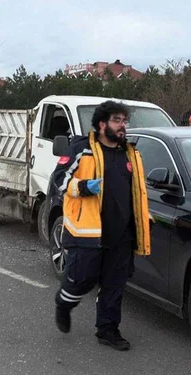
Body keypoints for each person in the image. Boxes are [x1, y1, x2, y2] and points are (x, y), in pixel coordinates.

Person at [53, 100, 151, 351]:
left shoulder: (130, 153)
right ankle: (64, 303)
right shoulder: (81, 149)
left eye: (124, 121)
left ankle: (107, 330)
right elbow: (59, 180)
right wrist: (84, 187)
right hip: (88, 232)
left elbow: (136, 190)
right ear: (102, 124)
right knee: (81, 280)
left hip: (123, 234)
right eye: (117, 121)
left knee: (115, 284)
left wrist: (143, 216)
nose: (122, 126)